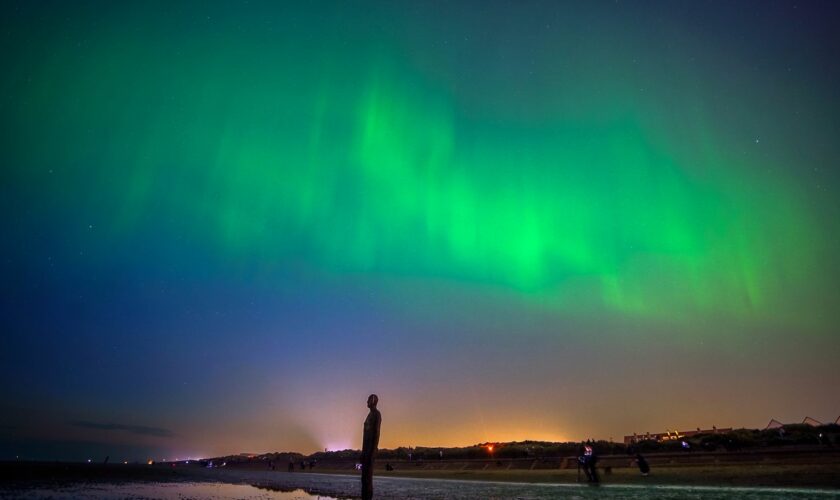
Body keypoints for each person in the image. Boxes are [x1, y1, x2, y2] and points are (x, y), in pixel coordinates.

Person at [361, 394, 382, 500]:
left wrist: (373, 450)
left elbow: (377, 433)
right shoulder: (369, 415)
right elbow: (365, 436)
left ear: (373, 401)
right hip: (365, 450)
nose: (366, 402)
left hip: (371, 450)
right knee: (363, 478)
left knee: (368, 478)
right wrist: (363, 452)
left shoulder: (377, 414)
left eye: (368, 400)